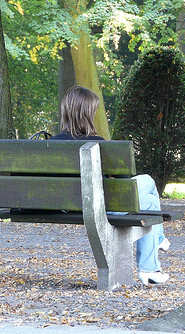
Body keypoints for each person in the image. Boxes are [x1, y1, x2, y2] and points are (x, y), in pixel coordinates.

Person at [50, 85, 170, 285]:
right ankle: (151, 259)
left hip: (66, 207)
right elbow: (122, 186)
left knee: (149, 202)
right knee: (147, 182)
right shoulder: (97, 143)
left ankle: (152, 266)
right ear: (88, 114)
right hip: (98, 207)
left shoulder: (51, 145)